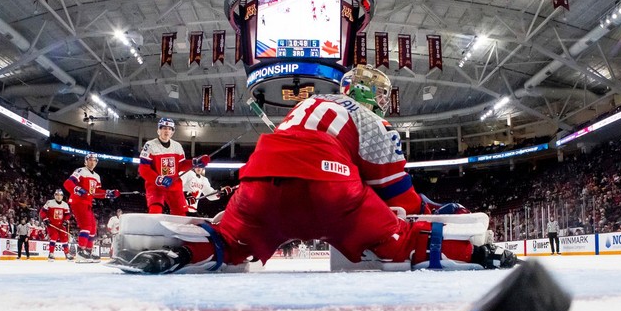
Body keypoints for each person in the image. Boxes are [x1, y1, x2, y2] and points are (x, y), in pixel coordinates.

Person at [112, 65, 516, 274]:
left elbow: (287, 154)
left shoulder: (306, 105)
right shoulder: (374, 122)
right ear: (372, 95)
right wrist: (431, 207)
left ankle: (177, 253)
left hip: (260, 179)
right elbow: (399, 198)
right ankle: (481, 254)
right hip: (329, 186)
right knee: (402, 239)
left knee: (231, 240)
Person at [138, 117, 210, 215]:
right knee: (155, 211)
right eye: (164, 128)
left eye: (169, 128)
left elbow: (180, 165)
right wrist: (159, 179)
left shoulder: (177, 146)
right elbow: (143, 169)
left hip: (174, 184)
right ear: (158, 130)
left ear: (172, 132)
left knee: (182, 214)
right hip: (156, 186)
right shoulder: (150, 145)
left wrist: (195, 162)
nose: (166, 131)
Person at [64, 153, 120, 263]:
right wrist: (78, 190)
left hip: (87, 203)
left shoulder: (97, 176)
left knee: (93, 228)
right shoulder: (80, 171)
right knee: (86, 226)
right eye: (90, 159)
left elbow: (96, 193)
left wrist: (110, 193)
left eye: (94, 160)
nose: (92, 162)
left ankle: (88, 252)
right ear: (85, 161)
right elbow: (68, 183)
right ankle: (80, 252)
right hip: (78, 201)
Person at [40, 188, 73, 261]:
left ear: (62, 196)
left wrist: (65, 220)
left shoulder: (65, 205)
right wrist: (45, 219)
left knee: (64, 238)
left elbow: (67, 215)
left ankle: (67, 254)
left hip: (61, 225)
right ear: (54, 195)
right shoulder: (49, 202)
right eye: (57, 195)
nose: (59, 196)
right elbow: (42, 212)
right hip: (52, 224)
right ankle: (51, 254)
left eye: (60, 195)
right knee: (54, 237)